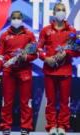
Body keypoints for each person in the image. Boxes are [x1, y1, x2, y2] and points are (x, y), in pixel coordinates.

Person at [37, 3, 79, 135]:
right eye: (58, 10)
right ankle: (51, 126)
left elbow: (77, 51)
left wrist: (67, 53)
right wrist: (45, 58)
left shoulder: (72, 31)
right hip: (49, 70)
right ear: (53, 13)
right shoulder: (45, 30)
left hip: (65, 70)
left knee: (64, 101)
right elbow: (38, 49)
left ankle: (62, 126)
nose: (61, 12)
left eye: (63, 10)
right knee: (51, 101)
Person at [0, 11, 37, 135]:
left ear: (22, 19)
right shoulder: (4, 35)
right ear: (10, 19)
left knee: (26, 102)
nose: (16, 20)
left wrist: (26, 57)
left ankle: (26, 127)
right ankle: (6, 126)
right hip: (9, 72)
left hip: (25, 71)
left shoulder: (29, 35)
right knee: (7, 101)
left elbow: (35, 55)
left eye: (18, 18)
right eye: (14, 18)